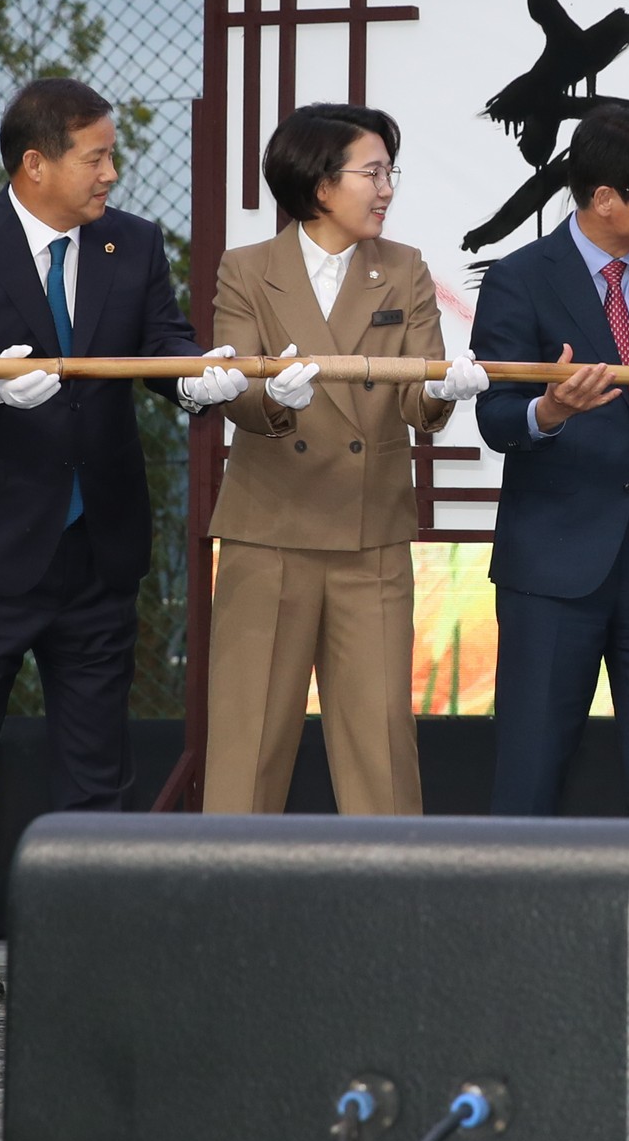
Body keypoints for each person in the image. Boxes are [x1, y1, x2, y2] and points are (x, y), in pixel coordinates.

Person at [0, 77, 244, 1002]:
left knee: (96, 759)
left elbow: (163, 346)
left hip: (100, 547)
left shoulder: (133, 243)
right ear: (34, 163)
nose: (111, 174)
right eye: (96, 156)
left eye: (113, 155)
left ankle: (88, 927)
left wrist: (202, 381)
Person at [203, 105, 490, 815]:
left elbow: (419, 394)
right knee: (248, 742)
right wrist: (271, 397)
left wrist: (442, 391)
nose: (387, 188)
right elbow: (232, 383)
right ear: (320, 184)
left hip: (372, 537)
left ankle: (393, 914)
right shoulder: (247, 270)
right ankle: (223, 910)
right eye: (374, 172)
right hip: (268, 530)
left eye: (390, 172)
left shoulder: (403, 268)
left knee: (382, 745)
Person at [471, 105, 629, 817]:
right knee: (531, 766)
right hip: (554, 562)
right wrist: (549, 411)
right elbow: (495, 416)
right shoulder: (521, 279)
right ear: (605, 198)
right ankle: (517, 919)